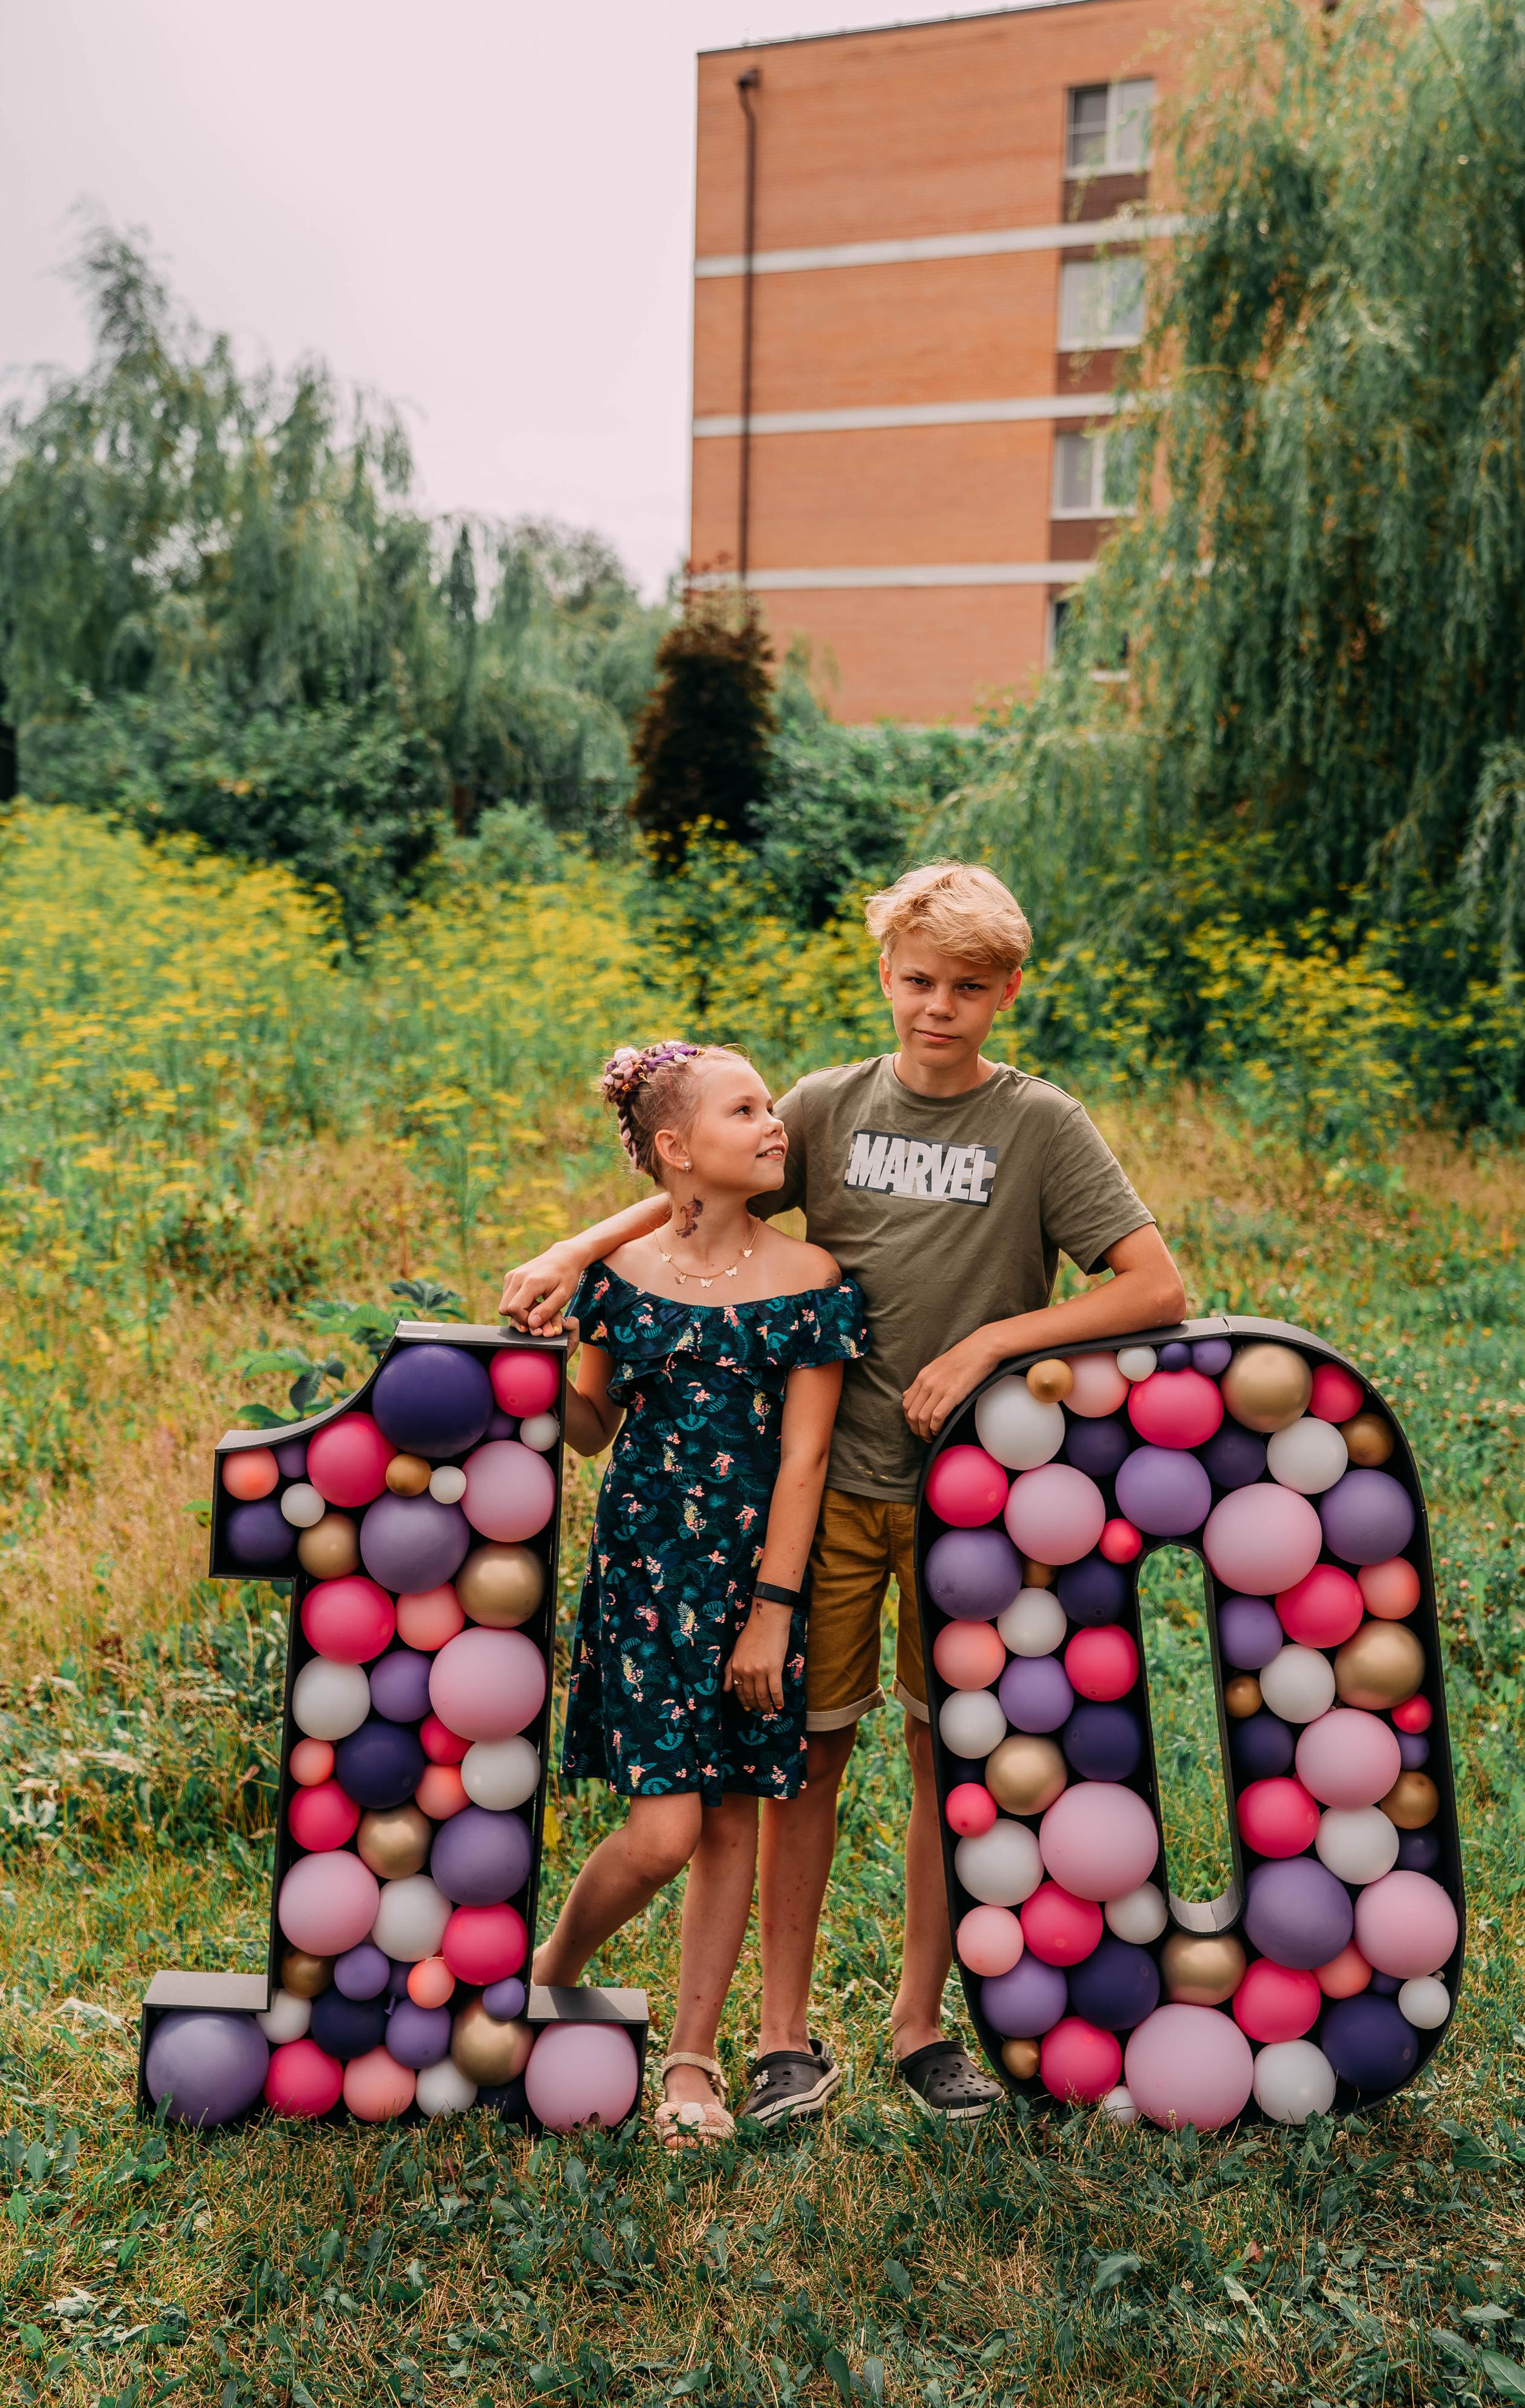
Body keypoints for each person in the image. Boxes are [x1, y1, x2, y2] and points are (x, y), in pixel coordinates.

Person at [503, 863, 1185, 2123]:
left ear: (1005, 994)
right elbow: (694, 1188)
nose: (937, 1008)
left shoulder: (1039, 1126)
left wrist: (992, 1345)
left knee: (945, 1760)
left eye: (967, 989)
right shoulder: (824, 1105)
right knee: (801, 1761)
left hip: (968, 1503)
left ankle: (920, 2026)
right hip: (820, 1501)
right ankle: (779, 2039)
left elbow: (1154, 1289)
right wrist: (576, 1247)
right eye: (917, 981)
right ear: (884, 977)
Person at [532, 1038, 866, 2146]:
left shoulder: (809, 1285)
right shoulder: (621, 1288)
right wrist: (534, 1361)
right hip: (643, 1583)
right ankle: (554, 1970)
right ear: (677, 1150)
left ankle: (691, 2061)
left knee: (730, 1820)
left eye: (772, 1106)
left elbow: (807, 1462)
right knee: (663, 1830)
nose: (775, 1125)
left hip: (750, 1589)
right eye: (745, 1110)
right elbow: (589, 1430)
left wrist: (774, 1609)